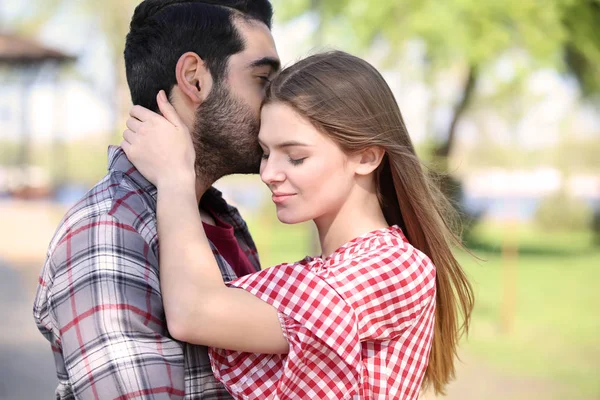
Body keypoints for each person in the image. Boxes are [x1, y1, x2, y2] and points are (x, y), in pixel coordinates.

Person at [121, 50, 474, 399]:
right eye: (265, 152)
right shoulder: (330, 270)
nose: (269, 173)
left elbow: (194, 314)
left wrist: (174, 177)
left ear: (366, 157)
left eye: (296, 157)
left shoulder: (392, 267)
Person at [33, 0, 280, 398]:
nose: (279, 103)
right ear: (195, 79)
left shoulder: (223, 220)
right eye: (264, 80)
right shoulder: (110, 229)